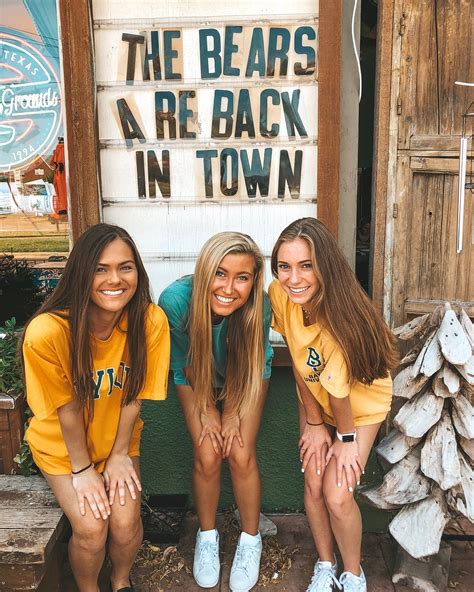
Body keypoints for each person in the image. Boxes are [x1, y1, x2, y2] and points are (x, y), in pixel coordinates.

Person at [21, 223, 170, 592]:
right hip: (63, 448)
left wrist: (120, 454)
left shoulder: (149, 321)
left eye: (125, 266)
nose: (114, 279)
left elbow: (135, 395)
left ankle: (121, 582)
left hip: (117, 441)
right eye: (100, 269)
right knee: (91, 528)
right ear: (81, 274)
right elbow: (66, 407)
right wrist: (83, 469)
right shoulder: (48, 331)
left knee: (125, 523)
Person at [269, 218, 398, 592]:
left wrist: (343, 440)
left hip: (358, 409)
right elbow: (297, 357)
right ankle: (325, 565)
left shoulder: (340, 322)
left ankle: (353, 574)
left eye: (306, 265)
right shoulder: (281, 295)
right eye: (284, 266)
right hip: (319, 401)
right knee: (313, 482)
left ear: (325, 264)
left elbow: (341, 393)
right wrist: (311, 421)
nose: (294, 278)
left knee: (337, 494)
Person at [158, 232, 273, 592]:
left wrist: (235, 412)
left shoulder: (260, 305)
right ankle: (207, 538)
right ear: (205, 271)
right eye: (220, 274)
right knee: (208, 453)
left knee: (239, 452)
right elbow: (183, 362)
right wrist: (207, 409)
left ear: (254, 281)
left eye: (243, 277)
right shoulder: (176, 301)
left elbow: (253, 364)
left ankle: (250, 540)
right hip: (195, 377)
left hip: (247, 375)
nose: (229, 287)